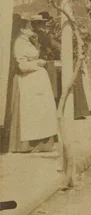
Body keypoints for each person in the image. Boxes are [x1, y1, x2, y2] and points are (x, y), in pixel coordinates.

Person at [7, 15, 59, 153]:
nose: (33, 30)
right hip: (27, 80)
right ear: (22, 30)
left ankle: (41, 143)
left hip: (35, 80)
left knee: (40, 111)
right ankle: (29, 144)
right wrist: (37, 63)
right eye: (29, 28)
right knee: (30, 112)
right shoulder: (19, 43)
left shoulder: (28, 41)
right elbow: (22, 65)